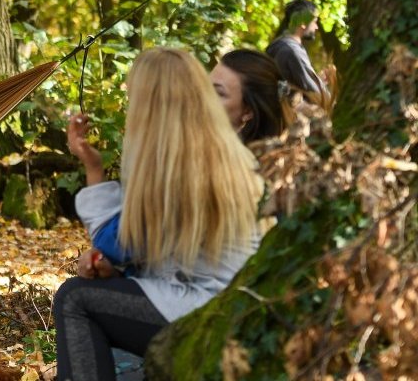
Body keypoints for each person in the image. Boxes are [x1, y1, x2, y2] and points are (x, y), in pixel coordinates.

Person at [54, 48, 262, 381]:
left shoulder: (183, 166)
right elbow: (143, 251)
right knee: (91, 295)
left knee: (74, 298)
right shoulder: (216, 152)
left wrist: (93, 170)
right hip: (222, 306)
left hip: (212, 314)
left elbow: (114, 244)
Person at [91, 48, 289, 266]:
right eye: (204, 88)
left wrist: (93, 171)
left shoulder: (222, 165)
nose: (204, 99)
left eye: (219, 93)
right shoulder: (200, 151)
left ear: (248, 112)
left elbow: (125, 242)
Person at [266, 0, 330, 104]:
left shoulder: (281, 44)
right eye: (314, 22)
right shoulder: (292, 51)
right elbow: (316, 92)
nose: (316, 27)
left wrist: (317, 80)